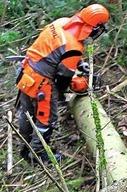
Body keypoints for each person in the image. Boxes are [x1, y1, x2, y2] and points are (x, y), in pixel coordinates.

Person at [15, 4, 110, 163]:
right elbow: (63, 77)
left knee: (27, 112)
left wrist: (78, 64)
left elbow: (56, 50)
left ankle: (25, 147)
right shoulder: (74, 47)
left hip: (26, 71)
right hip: (41, 84)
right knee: (46, 120)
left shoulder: (60, 23)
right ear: (94, 28)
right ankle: (38, 154)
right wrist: (60, 94)